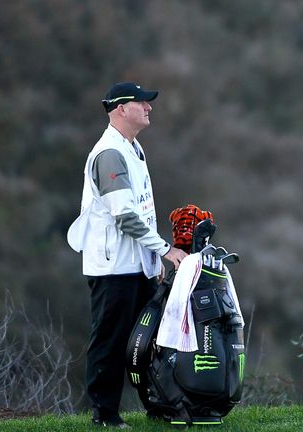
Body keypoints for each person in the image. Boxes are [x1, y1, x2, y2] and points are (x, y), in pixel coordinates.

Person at [67, 82, 187, 428]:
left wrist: (151, 264)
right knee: (111, 340)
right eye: (142, 102)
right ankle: (104, 414)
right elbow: (125, 216)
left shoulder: (132, 148)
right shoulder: (110, 154)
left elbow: (144, 211)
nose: (149, 108)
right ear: (121, 109)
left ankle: (157, 406)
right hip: (112, 268)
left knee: (147, 342)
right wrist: (164, 250)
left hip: (135, 266)